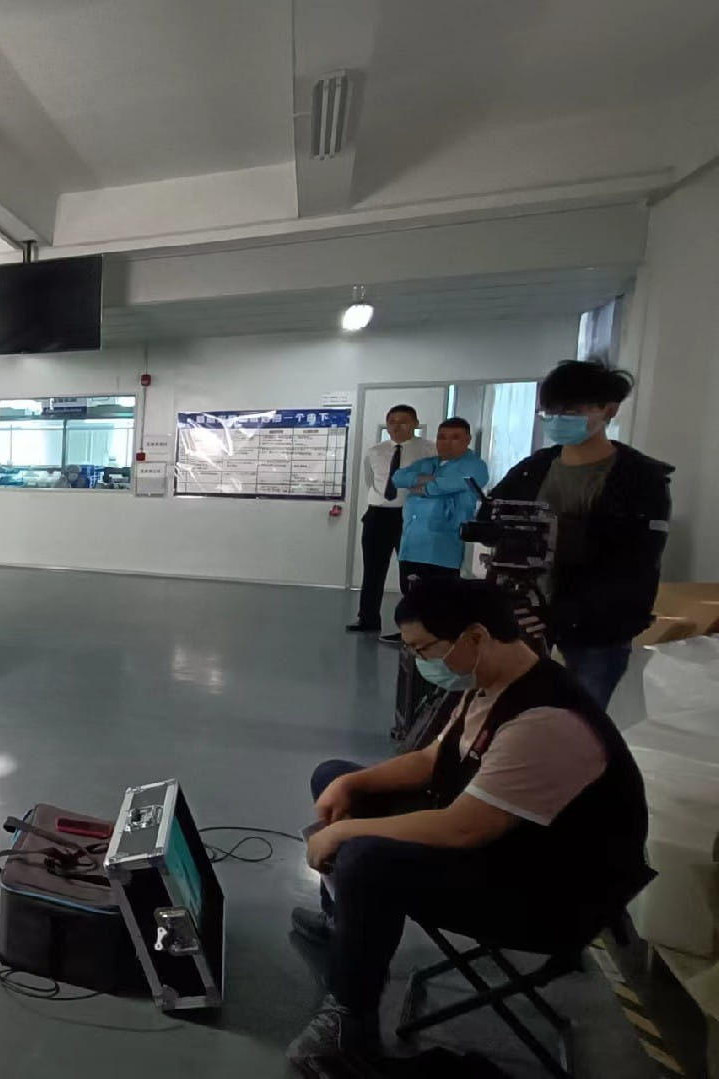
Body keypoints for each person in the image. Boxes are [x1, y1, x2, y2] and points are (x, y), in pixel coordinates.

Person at [287, 577, 650, 1070]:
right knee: (334, 777)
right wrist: (351, 785)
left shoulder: (546, 720)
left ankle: (350, 1020)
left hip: (548, 893)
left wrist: (344, 831)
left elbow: (463, 829)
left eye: (424, 649)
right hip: (507, 841)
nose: (418, 661)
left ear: (475, 637)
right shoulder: (492, 682)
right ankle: (347, 923)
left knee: (366, 860)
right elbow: (432, 761)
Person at [488, 362, 673, 710]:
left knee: (583, 718)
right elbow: (493, 515)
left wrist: (560, 615)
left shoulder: (639, 480)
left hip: (595, 627)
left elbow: (635, 566)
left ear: (609, 410)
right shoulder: (535, 468)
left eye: (572, 411)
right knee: (518, 711)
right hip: (525, 614)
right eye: (551, 412)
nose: (559, 419)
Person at [379, 418, 488, 643]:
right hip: (412, 540)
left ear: (467, 440)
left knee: (441, 596)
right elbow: (399, 478)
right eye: (442, 437)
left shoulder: (474, 466)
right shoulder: (428, 463)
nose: (446, 443)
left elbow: (450, 484)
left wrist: (424, 486)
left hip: (443, 542)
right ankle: (412, 635)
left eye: (455, 438)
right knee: (411, 593)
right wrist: (432, 480)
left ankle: (440, 639)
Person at [347, 405, 433, 634]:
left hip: (411, 515)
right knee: (373, 570)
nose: (397, 426)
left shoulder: (428, 450)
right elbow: (371, 481)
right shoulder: (375, 451)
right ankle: (367, 619)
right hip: (378, 515)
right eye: (392, 421)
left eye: (403, 421)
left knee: (410, 572)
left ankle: (411, 626)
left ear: (415, 423)